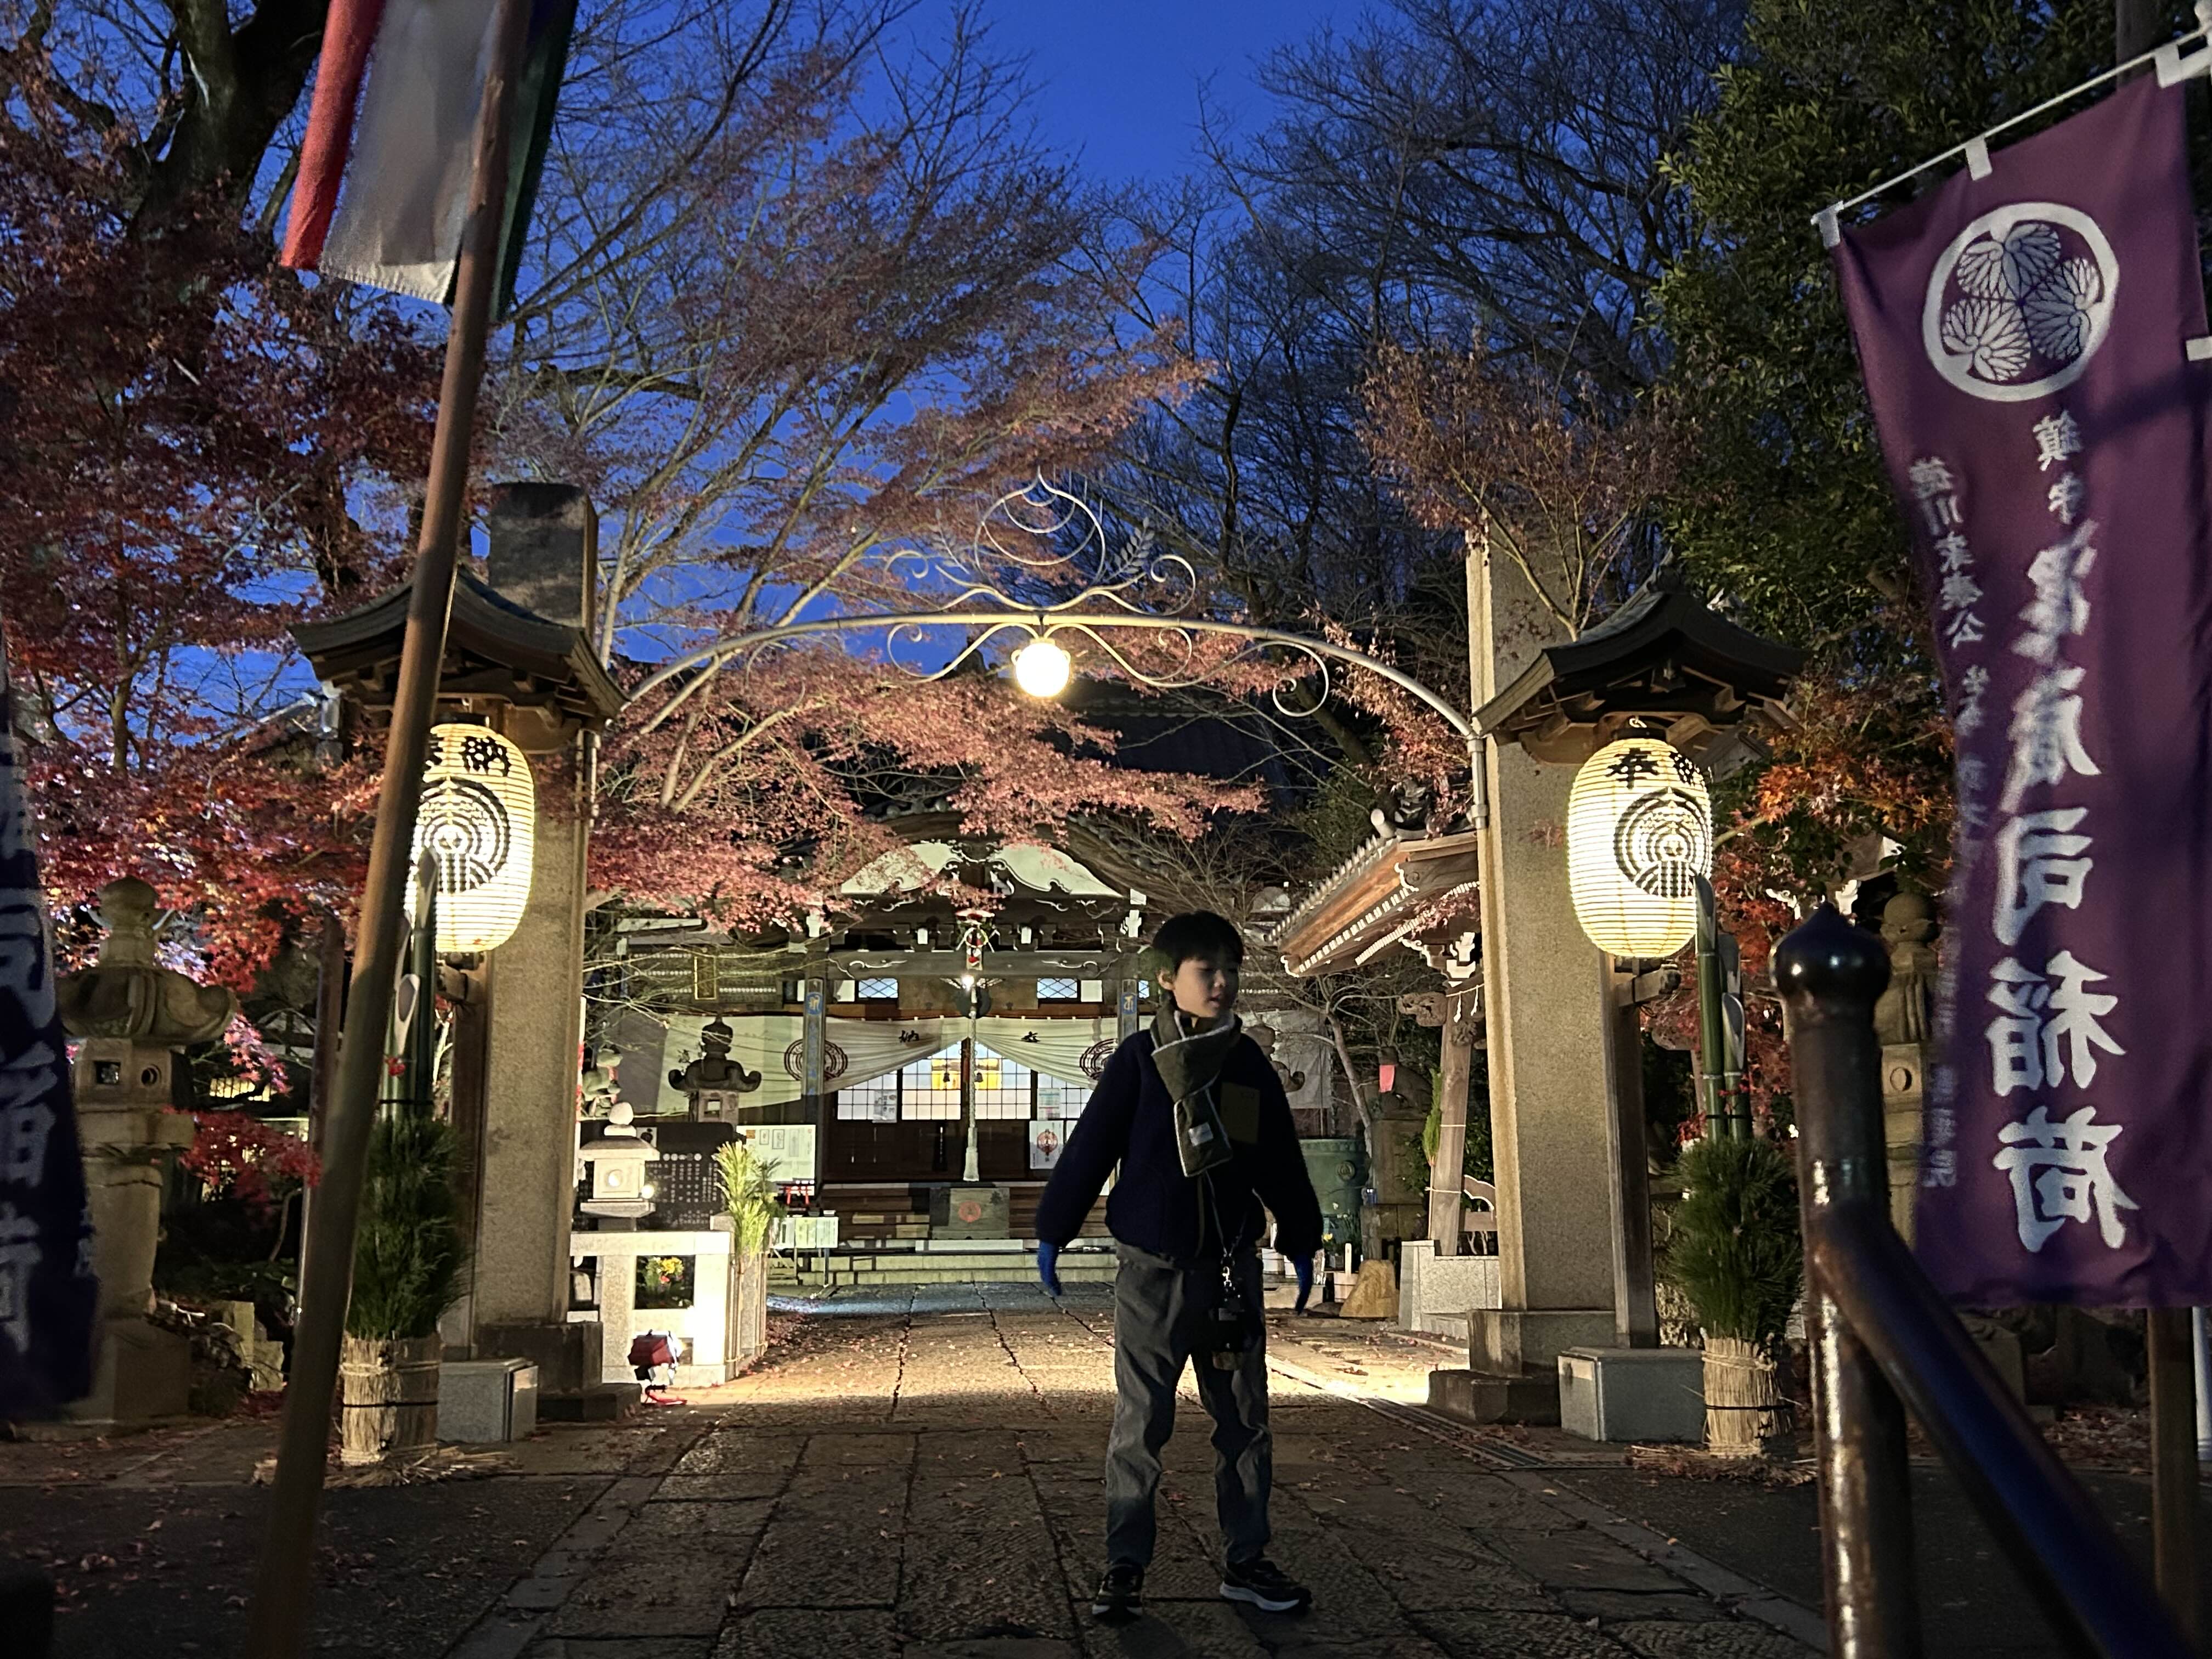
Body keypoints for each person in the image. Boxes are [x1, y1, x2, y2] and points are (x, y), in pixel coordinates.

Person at [1034, 910, 1324, 1625]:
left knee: (1245, 1423)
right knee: (1141, 1423)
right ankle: (1125, 1564)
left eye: (1231, 969)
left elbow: (1276, 1160)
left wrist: (1301, 1236)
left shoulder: (1246, 1063)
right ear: (1168, 979)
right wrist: (1054, 1229)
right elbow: (1092, 1146)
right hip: (1151, 1273)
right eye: (1206, 970)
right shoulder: (1138, 1061)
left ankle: (1247, 1560)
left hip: (1228, 1272)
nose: (1222, 982)